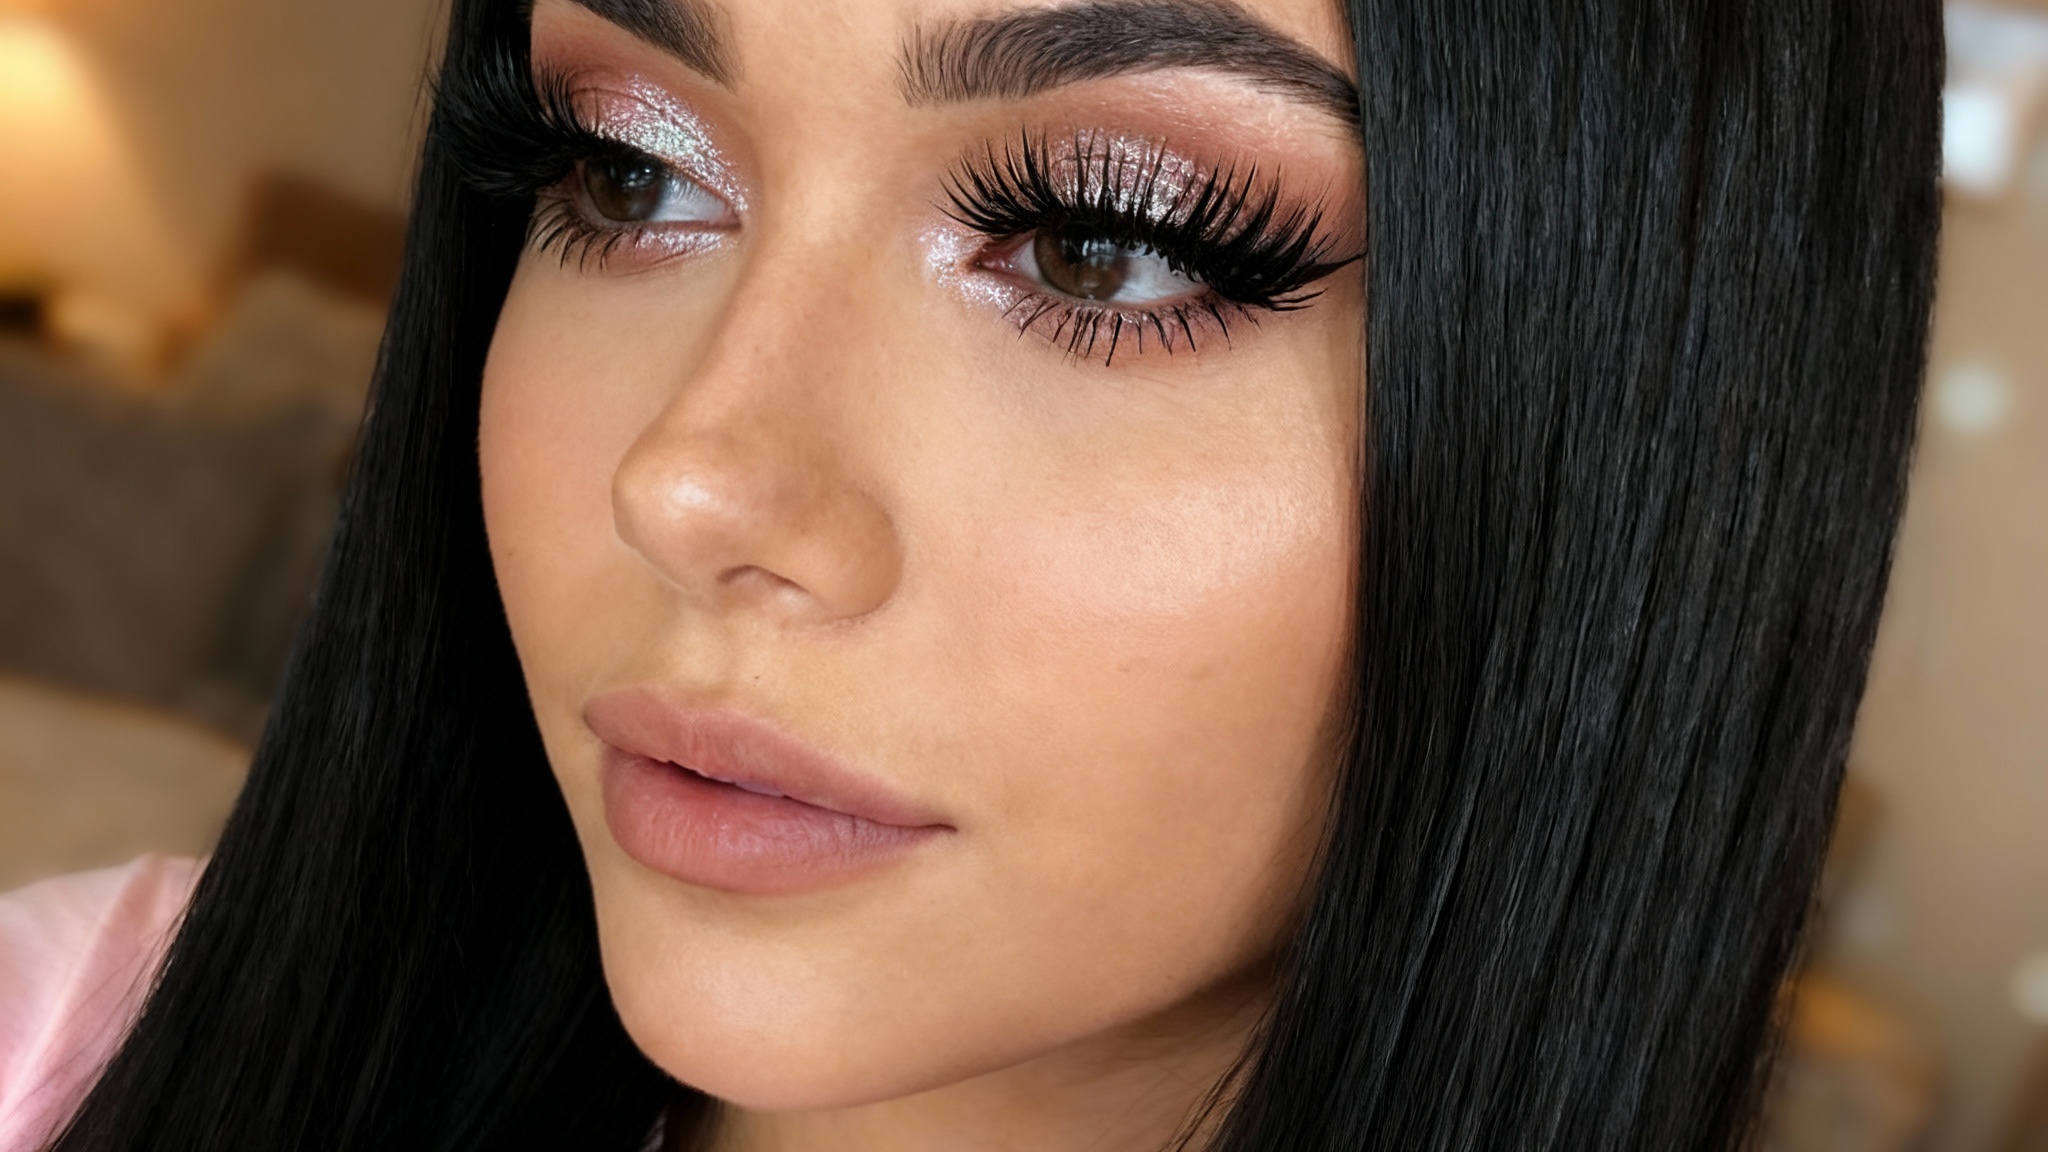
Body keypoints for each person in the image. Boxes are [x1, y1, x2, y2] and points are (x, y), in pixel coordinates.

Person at [0, 0, 1942, 1148]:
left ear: (1657, 413)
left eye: (1103, 243)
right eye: (627, 169)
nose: (687, 480)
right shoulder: (77, 1046)